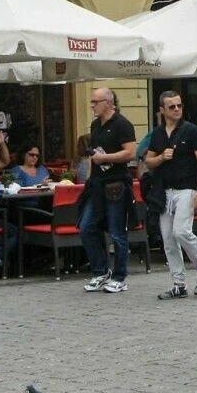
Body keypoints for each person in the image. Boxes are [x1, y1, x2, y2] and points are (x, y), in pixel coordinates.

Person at [143, 90, 197, 299]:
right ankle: (178, 283)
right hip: (164, 191)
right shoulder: (157, 134)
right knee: (167, 238)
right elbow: (148, 161)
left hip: (186, 189)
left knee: (181, 231)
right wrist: (161, 158)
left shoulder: (192, 131)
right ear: (162, 110)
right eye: (172, 106)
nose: (176, 109)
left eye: (179, 105)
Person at [79, 87, 136, 293]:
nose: (92, 105)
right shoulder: (95, 125)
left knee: (117, 231)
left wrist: (105, 158)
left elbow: (130, 153)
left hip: (116, 185)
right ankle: (101, 271)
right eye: (92, 102)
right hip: (97, 183)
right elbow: (94, 156)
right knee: (86, 227)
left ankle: (120, 276)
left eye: (96, 102)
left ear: (109, 103)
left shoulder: (122, 124)